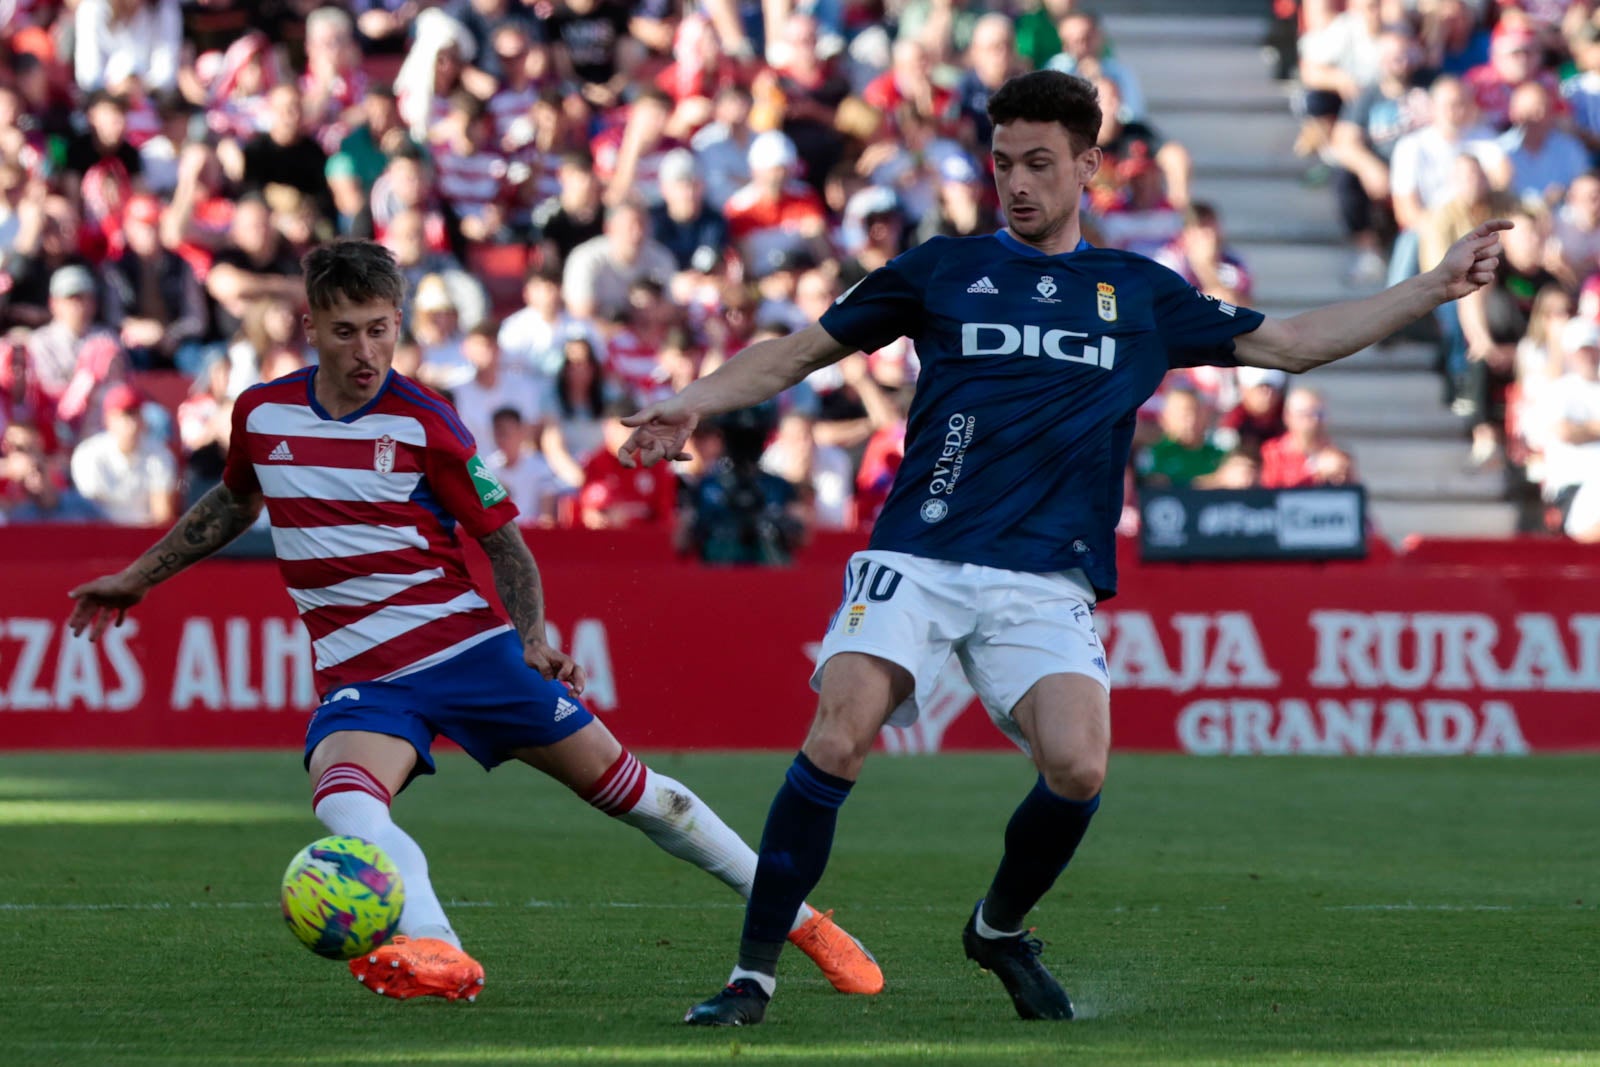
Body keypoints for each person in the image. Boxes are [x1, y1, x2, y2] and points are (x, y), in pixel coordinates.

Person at [617, 70, 1507, 1027]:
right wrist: (693, 403)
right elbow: (799, 351)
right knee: (840, 731)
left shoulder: (1139, 293)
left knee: (1079, 768)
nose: (1017, 182)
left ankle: (997, 928)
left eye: (1039, 163)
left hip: (1045, 577)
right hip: (921, 550)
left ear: (1089, 165)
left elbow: (1290, 342)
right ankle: (753, 977)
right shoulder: (941, 269)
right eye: (1003, 163)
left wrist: (1433, 286)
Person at [65, 239, 882, 1004]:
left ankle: (804, 920)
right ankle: (437, 946)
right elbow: (232, 503)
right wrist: (136, 579)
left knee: (642, 798)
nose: (364, 351)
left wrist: (531, 635)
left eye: (379, 330)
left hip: (468, 652)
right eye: (344, 331)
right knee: (345, 800)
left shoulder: (426, 421)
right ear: (308, 325)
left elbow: (506, 545)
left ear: (399, 323)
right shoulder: (263, 415)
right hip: (365, 678)